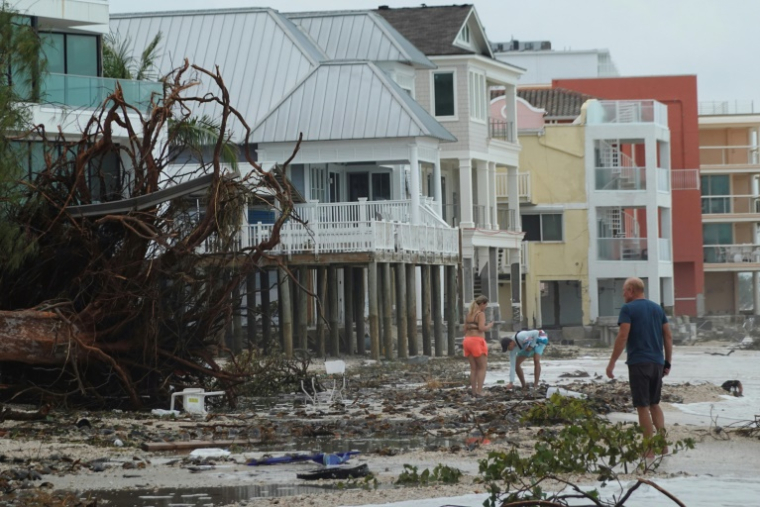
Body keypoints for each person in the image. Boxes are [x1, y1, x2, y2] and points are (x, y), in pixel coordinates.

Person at [606, 277, 673, 457]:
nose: (622, 294)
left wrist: (612, 361)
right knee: (654, 404)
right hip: (657, 363)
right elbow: (668, 336)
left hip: (639, 363)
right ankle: (663, 446)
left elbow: (622, 336)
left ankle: (649, 450)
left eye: (624, 290)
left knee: (642, 406)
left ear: (631, 290)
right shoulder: (657, 308)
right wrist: (667, 362)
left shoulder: (628, 309)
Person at [462, 295, 494, 396]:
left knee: (473, 368)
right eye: (486, 305)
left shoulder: (469, 314)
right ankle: (480, 391)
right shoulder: (480, 314)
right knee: (482, 367)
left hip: (467, 341)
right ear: (482, 304)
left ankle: (473, 391)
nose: (485, 307)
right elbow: (481, 328)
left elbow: (465, 329)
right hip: (477, 341)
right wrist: (489, 325)